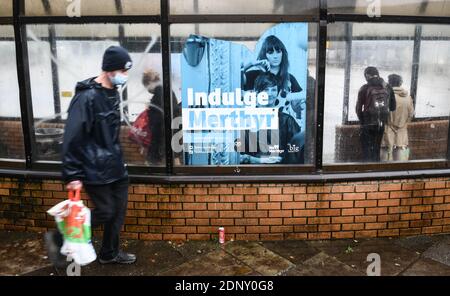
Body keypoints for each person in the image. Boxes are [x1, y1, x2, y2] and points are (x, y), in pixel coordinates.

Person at [45, 46, 136, 266]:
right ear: (110, 70)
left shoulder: (112, 93)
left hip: (115, 167)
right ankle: (58, 237)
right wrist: (72, 174)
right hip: (94, 169)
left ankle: (109, 253)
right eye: (123, 71)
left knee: (117, 213)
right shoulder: (86, 98)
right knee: (106, 212)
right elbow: (72, 137)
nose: (125, 76)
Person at [239, 72, 303, 164]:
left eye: (273, 90)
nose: (270, 94)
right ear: (256, 92)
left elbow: (298, 151)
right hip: (253, 172)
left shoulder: (287, 121)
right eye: (265, 90)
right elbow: (237, 155)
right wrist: (259, 161)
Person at [356, 66, 396, 162]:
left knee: (367, 150)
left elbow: (358, 109)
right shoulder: (387, 87)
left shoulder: (364, 88)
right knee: (376, 148)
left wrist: (363, 121)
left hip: (367, 124)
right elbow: (392, 107)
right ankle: (375, 171)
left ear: (367, 76)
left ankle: (366, 172)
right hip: (380, 124)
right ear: (377, 74)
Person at [380, 74, 415, 161]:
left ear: (389, 83)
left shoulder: (387, 96)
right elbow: (411, 115)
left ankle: (385, 173)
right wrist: (403, 124)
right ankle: (400, 173)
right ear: (400, 83)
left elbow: (381, 114)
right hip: (402, 131)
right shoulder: (408, 97)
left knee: (385, 154)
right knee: (401, 155)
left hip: (387, 130)